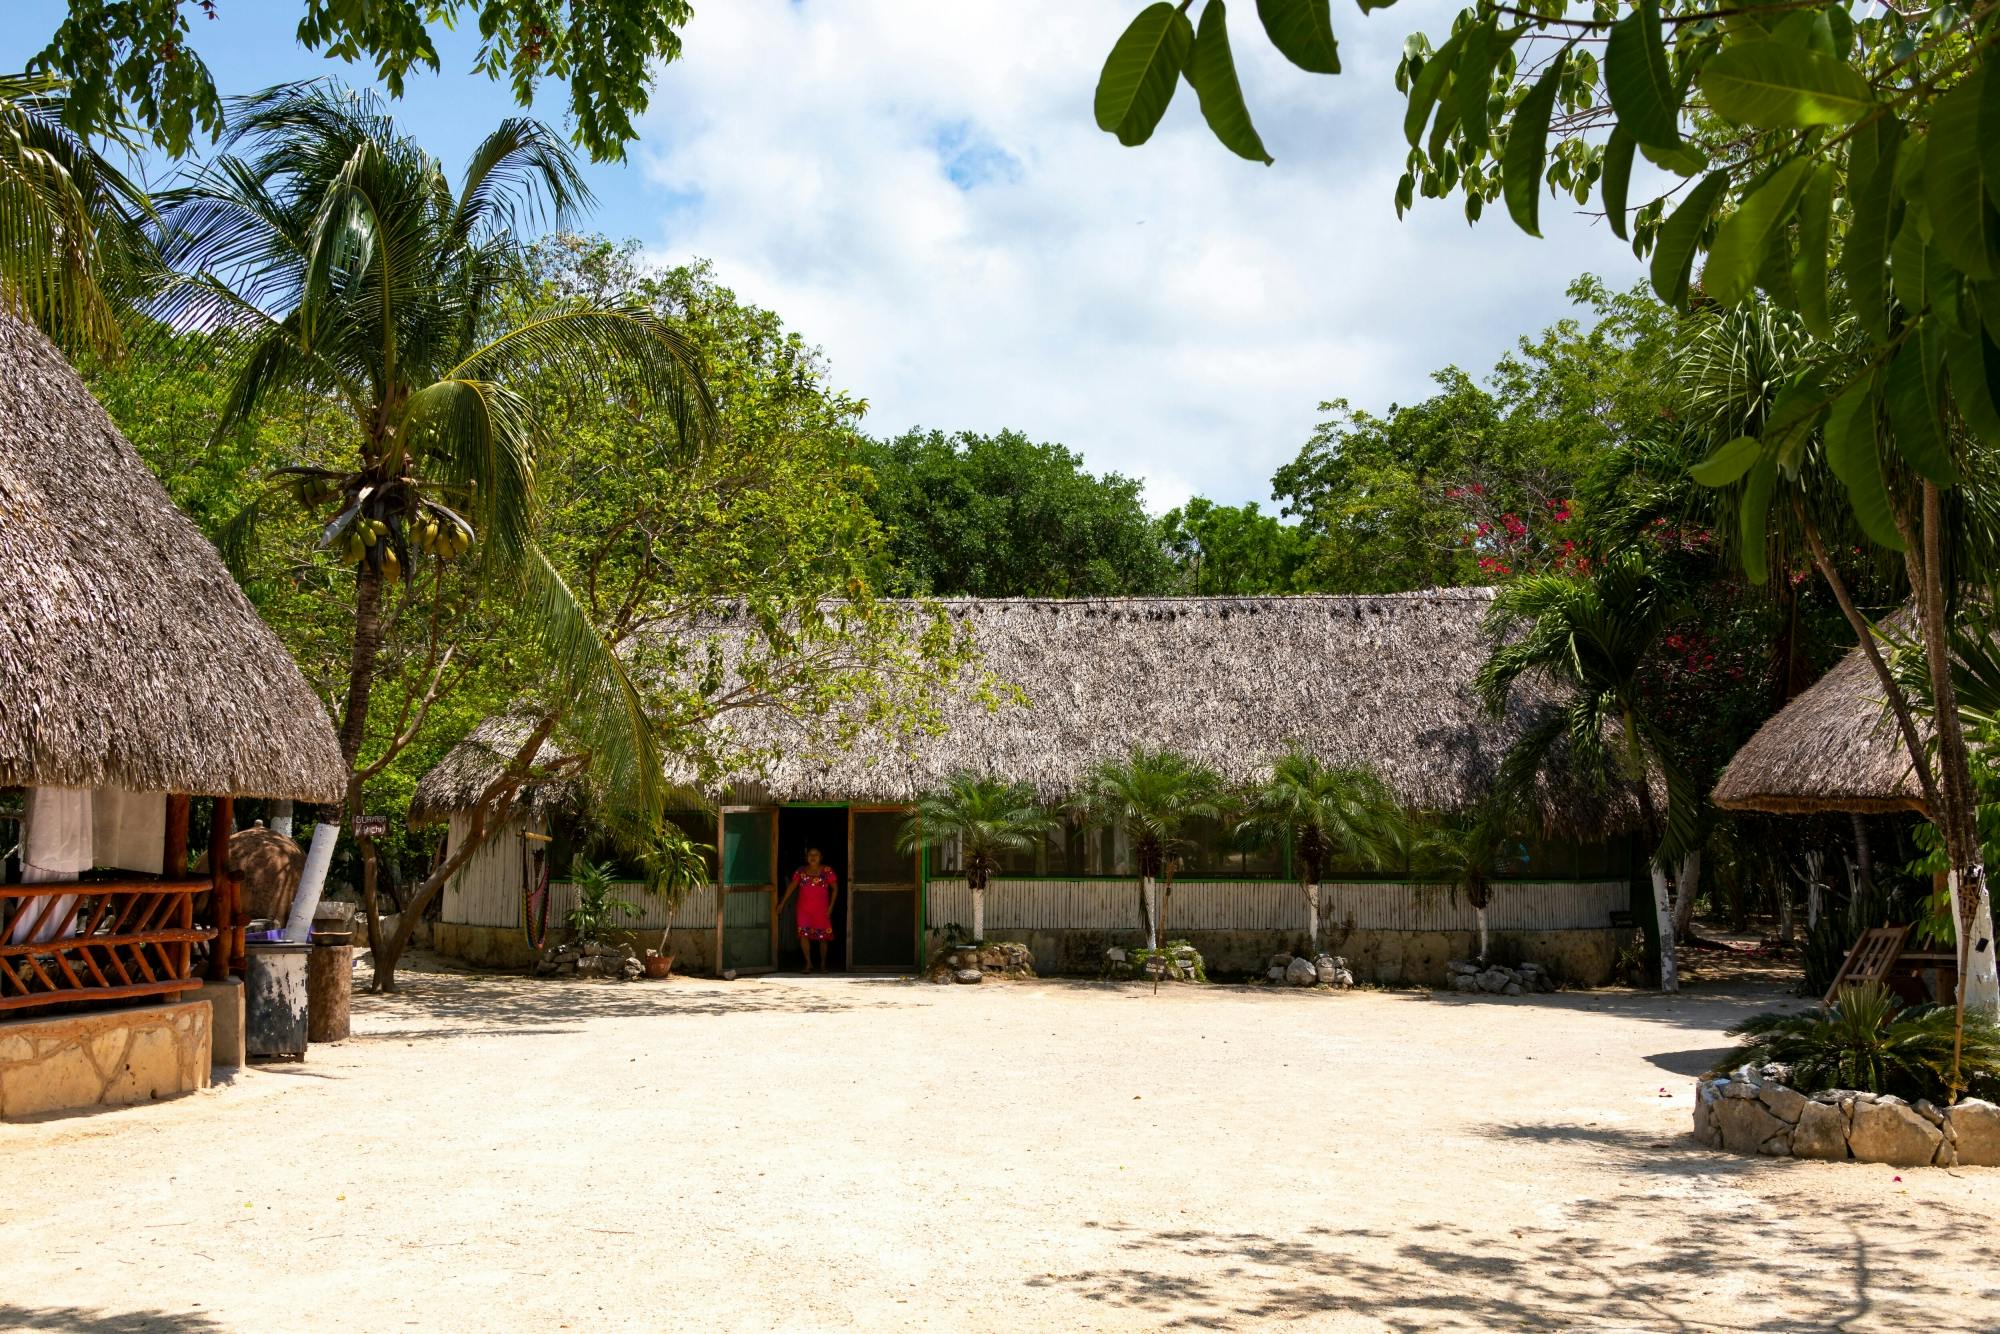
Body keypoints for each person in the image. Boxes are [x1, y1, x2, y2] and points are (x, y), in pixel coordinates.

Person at [778, 846, 839, 972]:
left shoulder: (827, 871)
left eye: (816, 854)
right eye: (810, 854)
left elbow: (835, 889)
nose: (813, 857)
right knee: (803, 935)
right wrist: (782, 903)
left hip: (822, 910)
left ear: (821, 857)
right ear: (806, 857)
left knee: (823, 937)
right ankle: (808, 964)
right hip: (803, 910)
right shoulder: (801, 871)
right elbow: (791, 887)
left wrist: (831, 907)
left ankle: (823, 965)